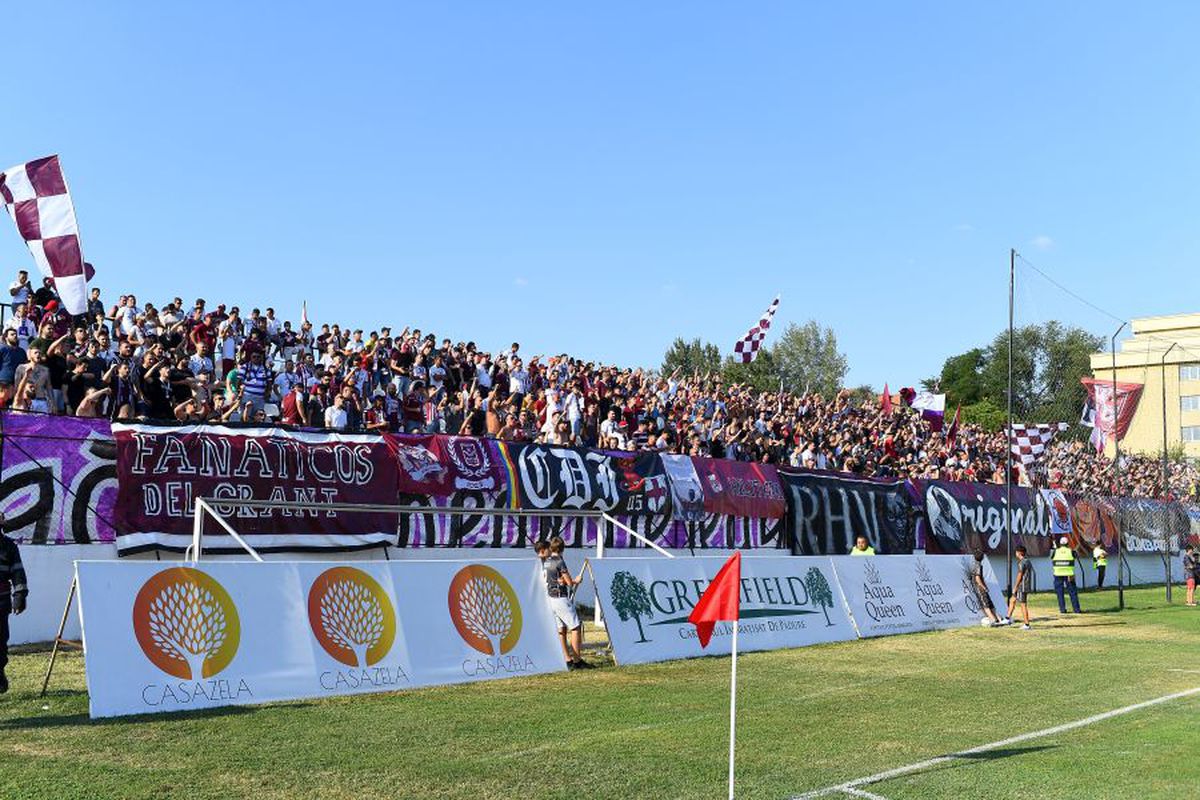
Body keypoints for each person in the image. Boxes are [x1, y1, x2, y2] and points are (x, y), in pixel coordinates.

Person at [535, 537, 591, 670]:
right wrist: (576, 580)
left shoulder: (546, 562)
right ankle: (577, 661)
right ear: (562, 549)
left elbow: (552, 578)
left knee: (561, 631)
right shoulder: (559, 561)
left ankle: (567, 660)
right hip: (560, 598)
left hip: (550, 598)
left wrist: (562, 581)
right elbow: (570, 582)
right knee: (575, 627)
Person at [1, 518, 29, 694]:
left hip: (1, 602)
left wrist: (20, 596)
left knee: (0, 641)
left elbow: (18, 572)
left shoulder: (8, 546)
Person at [970, 549, 1007, 626]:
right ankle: (999, 619)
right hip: (983, 588)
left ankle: (993, 620)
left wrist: (983, 587)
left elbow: (977, 578)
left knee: (986, 605)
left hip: (980, 588)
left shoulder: (976, 565)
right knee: (990, 604)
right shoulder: (979, 565)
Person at [1051, 536, 1082, 614]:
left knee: (1060, 593)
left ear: (1060, 544)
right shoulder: (1071, 551)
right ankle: (1076, 610)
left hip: (1058, 574)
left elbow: (1052, 558)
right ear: (1068, 544)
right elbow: (1076, 556)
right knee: (1073, 593)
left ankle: (1062, 610)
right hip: (1069, 575)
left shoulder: (1055, 551)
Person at [1006, 545, 1033, 630]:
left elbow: (1020, 575)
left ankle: (1027, 624)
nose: (1015, 554)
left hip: (1022, 586)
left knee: (1023, 604)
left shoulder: (1021, 562)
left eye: (1016, 552)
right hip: (1025, 585)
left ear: (1019, 553)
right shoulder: (1028, 561)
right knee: (1012, 599)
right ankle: (1008, 619)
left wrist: (1015, 587)